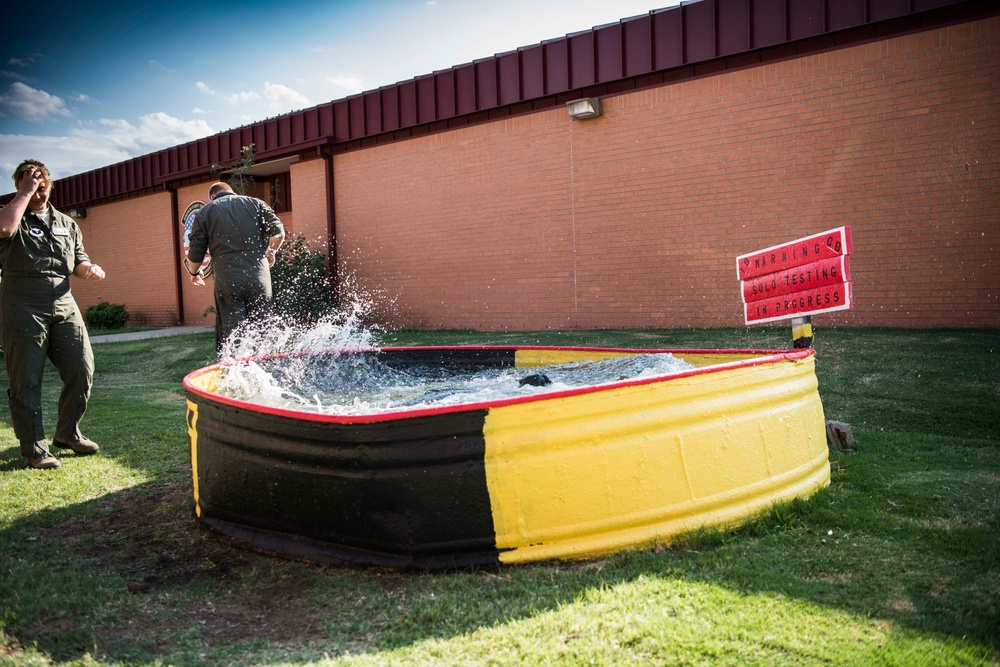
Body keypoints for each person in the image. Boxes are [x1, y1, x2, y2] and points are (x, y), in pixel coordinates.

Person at [0, 160, 106, 470]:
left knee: (82, 367)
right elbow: (4, 228)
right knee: (26, 378)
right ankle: (34, 449)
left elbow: (79, 261)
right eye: (31, 186)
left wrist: (89, 270)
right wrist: (23, 193)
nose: (37, 191)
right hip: (22, 303)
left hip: (63, 301)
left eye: (42, 185)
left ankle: (67, 433)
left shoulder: (66, 223)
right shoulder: (12, 215)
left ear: (51, 186)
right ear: (20, 186)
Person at [186, 182, 285, 353]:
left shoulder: (205, 212)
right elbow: (279, 233)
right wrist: (271, 251)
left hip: (228, 280)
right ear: (232, 192)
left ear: (212, 196)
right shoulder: (256, 203)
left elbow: (195, 252)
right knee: (263, 329)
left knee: (233, 335)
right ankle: (264, 368)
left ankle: (235, 372)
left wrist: (194, 272)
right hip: (259, 278)